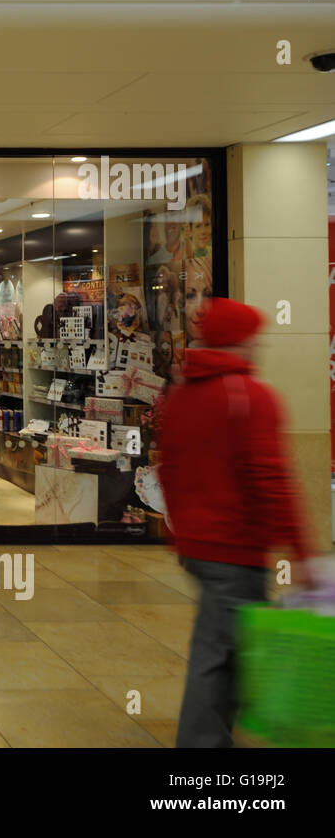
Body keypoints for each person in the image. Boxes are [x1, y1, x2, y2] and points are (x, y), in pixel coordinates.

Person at [158, 297, 315, 748]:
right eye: (255, 339)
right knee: (219, 657)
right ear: (241, 341)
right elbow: (272, 480)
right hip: (236, 549)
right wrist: (302, 552)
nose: (258, 348)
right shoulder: (252, 397)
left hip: (200, 547)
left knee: (225, 649)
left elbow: (169, 470)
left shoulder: (183, 395)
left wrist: (180, 531)